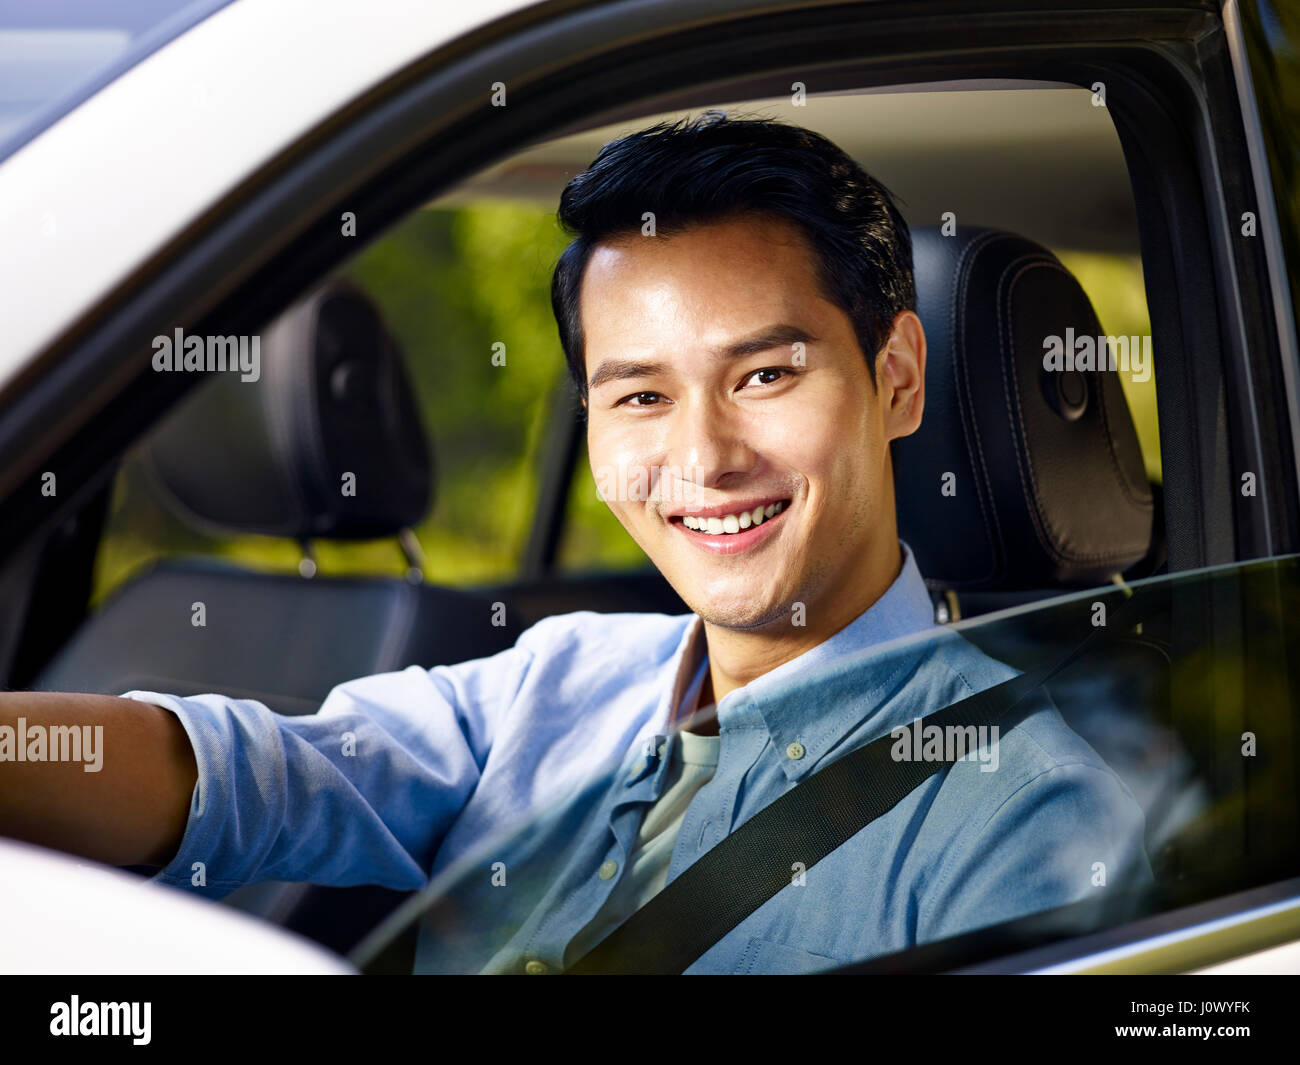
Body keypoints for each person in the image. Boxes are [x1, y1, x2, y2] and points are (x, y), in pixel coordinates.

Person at [0, 111, 1150, 974]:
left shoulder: (1027, 816)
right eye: (639, 397)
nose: (704, 459)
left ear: (895, 379)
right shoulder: (560, 678)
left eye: (762, 375)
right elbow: (253, 778)